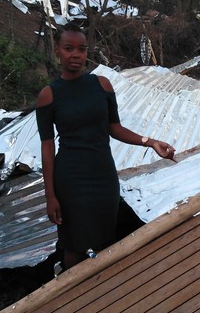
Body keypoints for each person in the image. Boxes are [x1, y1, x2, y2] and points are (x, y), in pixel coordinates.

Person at [35, 23, 176, 273]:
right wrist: (50, 196)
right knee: (74, 242)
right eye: (68, 48)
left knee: (105, 236)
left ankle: (101, 292)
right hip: (71, 180)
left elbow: (115, 128)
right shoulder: (49, 95)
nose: (75, 54)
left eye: (81, 49)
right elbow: (47, 147)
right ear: (57, 50)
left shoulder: (102, 85)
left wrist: (150, 142)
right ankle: (73, 295)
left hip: (103, 176)